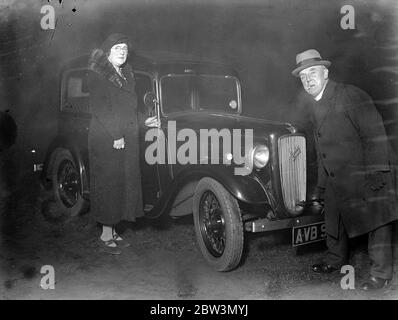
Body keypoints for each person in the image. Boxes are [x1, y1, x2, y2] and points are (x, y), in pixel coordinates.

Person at [291, 49, 398, 290]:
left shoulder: (350, 95)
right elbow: (322, 150)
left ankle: (381, 274)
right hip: (338, 173)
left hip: (368, 168)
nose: (308, 80)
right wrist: (320, 186)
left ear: (325, 72)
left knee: (377, 220)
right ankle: (335, 260)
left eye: (312, 73)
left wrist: (377, 172)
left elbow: (375, 134)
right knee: (333, 216)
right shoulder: (314, 105)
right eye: (303, 76)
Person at [87, 33, 157, 255]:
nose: (122, 51)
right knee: (109, 186)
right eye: (117, 48)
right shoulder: (98, 75)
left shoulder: (126, 75)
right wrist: (116, 136)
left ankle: (113, 230)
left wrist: (143, 121)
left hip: (125, 138)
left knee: (122, 184)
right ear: (107, 52)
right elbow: (101, 109)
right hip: (107, 140)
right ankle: (106, 235)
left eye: (125, 48)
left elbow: (128, 110)